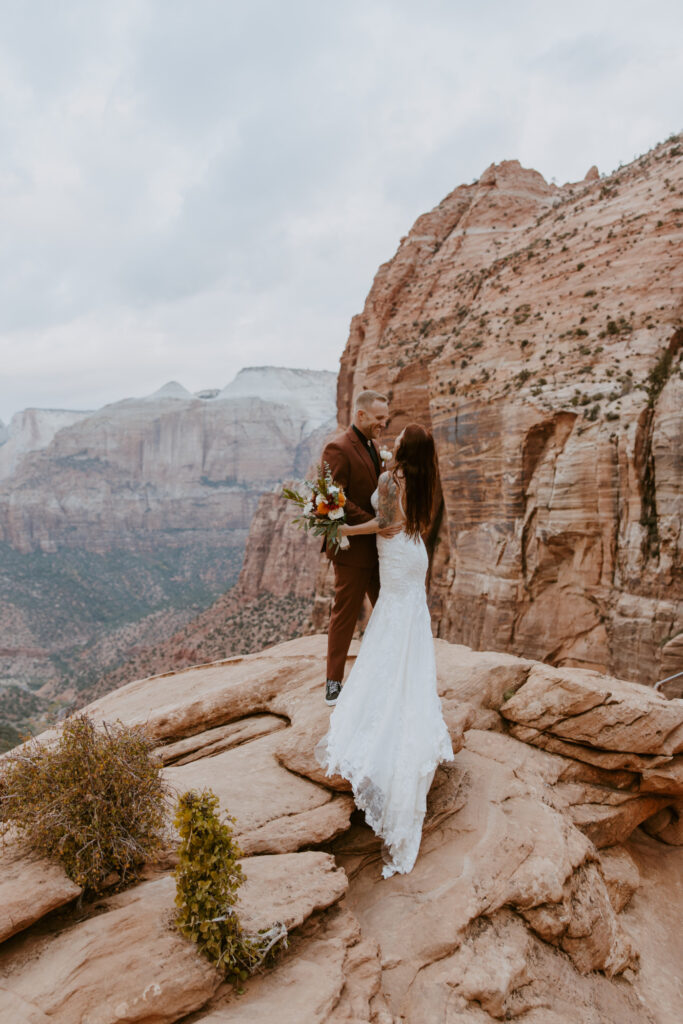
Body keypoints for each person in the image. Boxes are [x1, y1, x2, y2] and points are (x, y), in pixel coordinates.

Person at [315, 423, 454, 878]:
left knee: (391, 622)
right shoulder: (423, 479)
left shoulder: (390, 481)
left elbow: (388, 525)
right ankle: (406, 692)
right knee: (407, 625)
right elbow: (407, 523)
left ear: (405, 452)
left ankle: (382, 700)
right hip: (415, 558)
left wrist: (348, 528)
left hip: (394, 555)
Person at [321, 390, 399, 706]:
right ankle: (333, 682)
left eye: (386, 417)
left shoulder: (374, 446)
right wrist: (375, 521)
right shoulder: (337, 448)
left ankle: (388, 670)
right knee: (346, 613)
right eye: (379, 418)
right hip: (352, 547)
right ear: (361, 415)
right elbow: (334, 498)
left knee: (387, 607)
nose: (384, 423)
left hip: (380, 549)